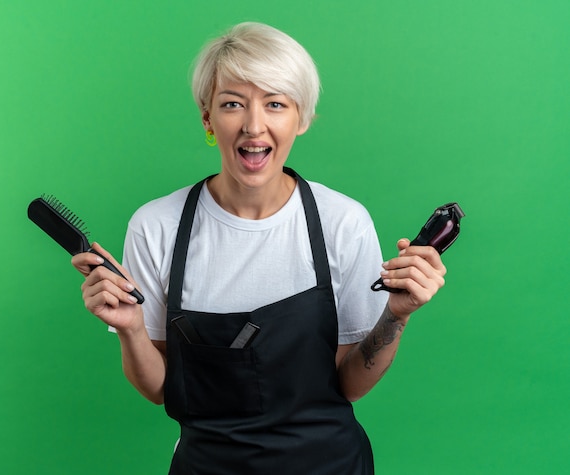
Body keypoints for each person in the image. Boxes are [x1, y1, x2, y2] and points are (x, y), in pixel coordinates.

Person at [72, 22, 447, 474]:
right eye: (232, 104)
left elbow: (349, 384)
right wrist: (132, 328)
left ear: (301, 118)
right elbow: (160, 390)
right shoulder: (156, 226)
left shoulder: (343, 222)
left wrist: (397, 314)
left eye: (275, 104)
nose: (254, 125)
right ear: (208, 118)